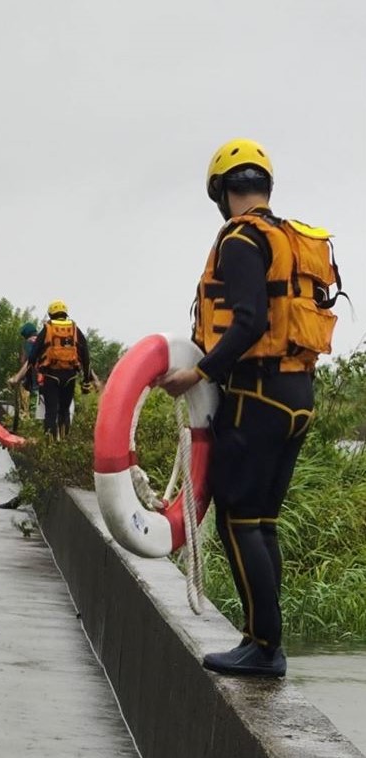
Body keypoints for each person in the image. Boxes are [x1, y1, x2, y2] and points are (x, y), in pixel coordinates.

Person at [157, 138, 343, 677]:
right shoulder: (284, 236)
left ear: (221, 192)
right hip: (296, 395)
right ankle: (263, 640)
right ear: (263, 186)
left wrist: (198, 372)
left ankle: (264, 647)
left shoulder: (241, 239)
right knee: (262, 523)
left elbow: (249, 322)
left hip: (258, 396)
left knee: (237, 523)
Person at [7, 300, 92, 439]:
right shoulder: (74, 329)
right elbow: (86, 355)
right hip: (70, 376)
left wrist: (27, 380)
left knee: (51, 411)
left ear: (51, 314)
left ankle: (49, 443)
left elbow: (33, 356)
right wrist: (86, 380)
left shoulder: (48, 328)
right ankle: (64, 443)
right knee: (64, 411)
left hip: (51, 376)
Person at [17, 322, 40, 418]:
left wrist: (19, 377)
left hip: (36, 379)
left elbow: (29, 360)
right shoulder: (42, 340)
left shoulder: (29, 342)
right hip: (51, 377)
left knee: (33, 404)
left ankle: (31, 424)